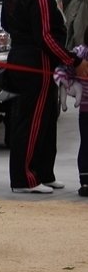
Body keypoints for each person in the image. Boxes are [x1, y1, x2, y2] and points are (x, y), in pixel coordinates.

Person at [1, 0, 88, 194]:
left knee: (47, 119)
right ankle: (24, 179)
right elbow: (46, 36)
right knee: (32, 119)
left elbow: (5, 23)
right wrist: (74, 60)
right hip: (35, 61)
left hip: (22, 55)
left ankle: (43, 172)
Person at [53, 26, 88, 196]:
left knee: (86, 144)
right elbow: (62, 67)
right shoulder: (80, 52)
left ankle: (85, 182)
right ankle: (86, 181)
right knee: (86, 144)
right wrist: (66, 82)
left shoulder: (80, 51)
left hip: (85, 110)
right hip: (86, 109)